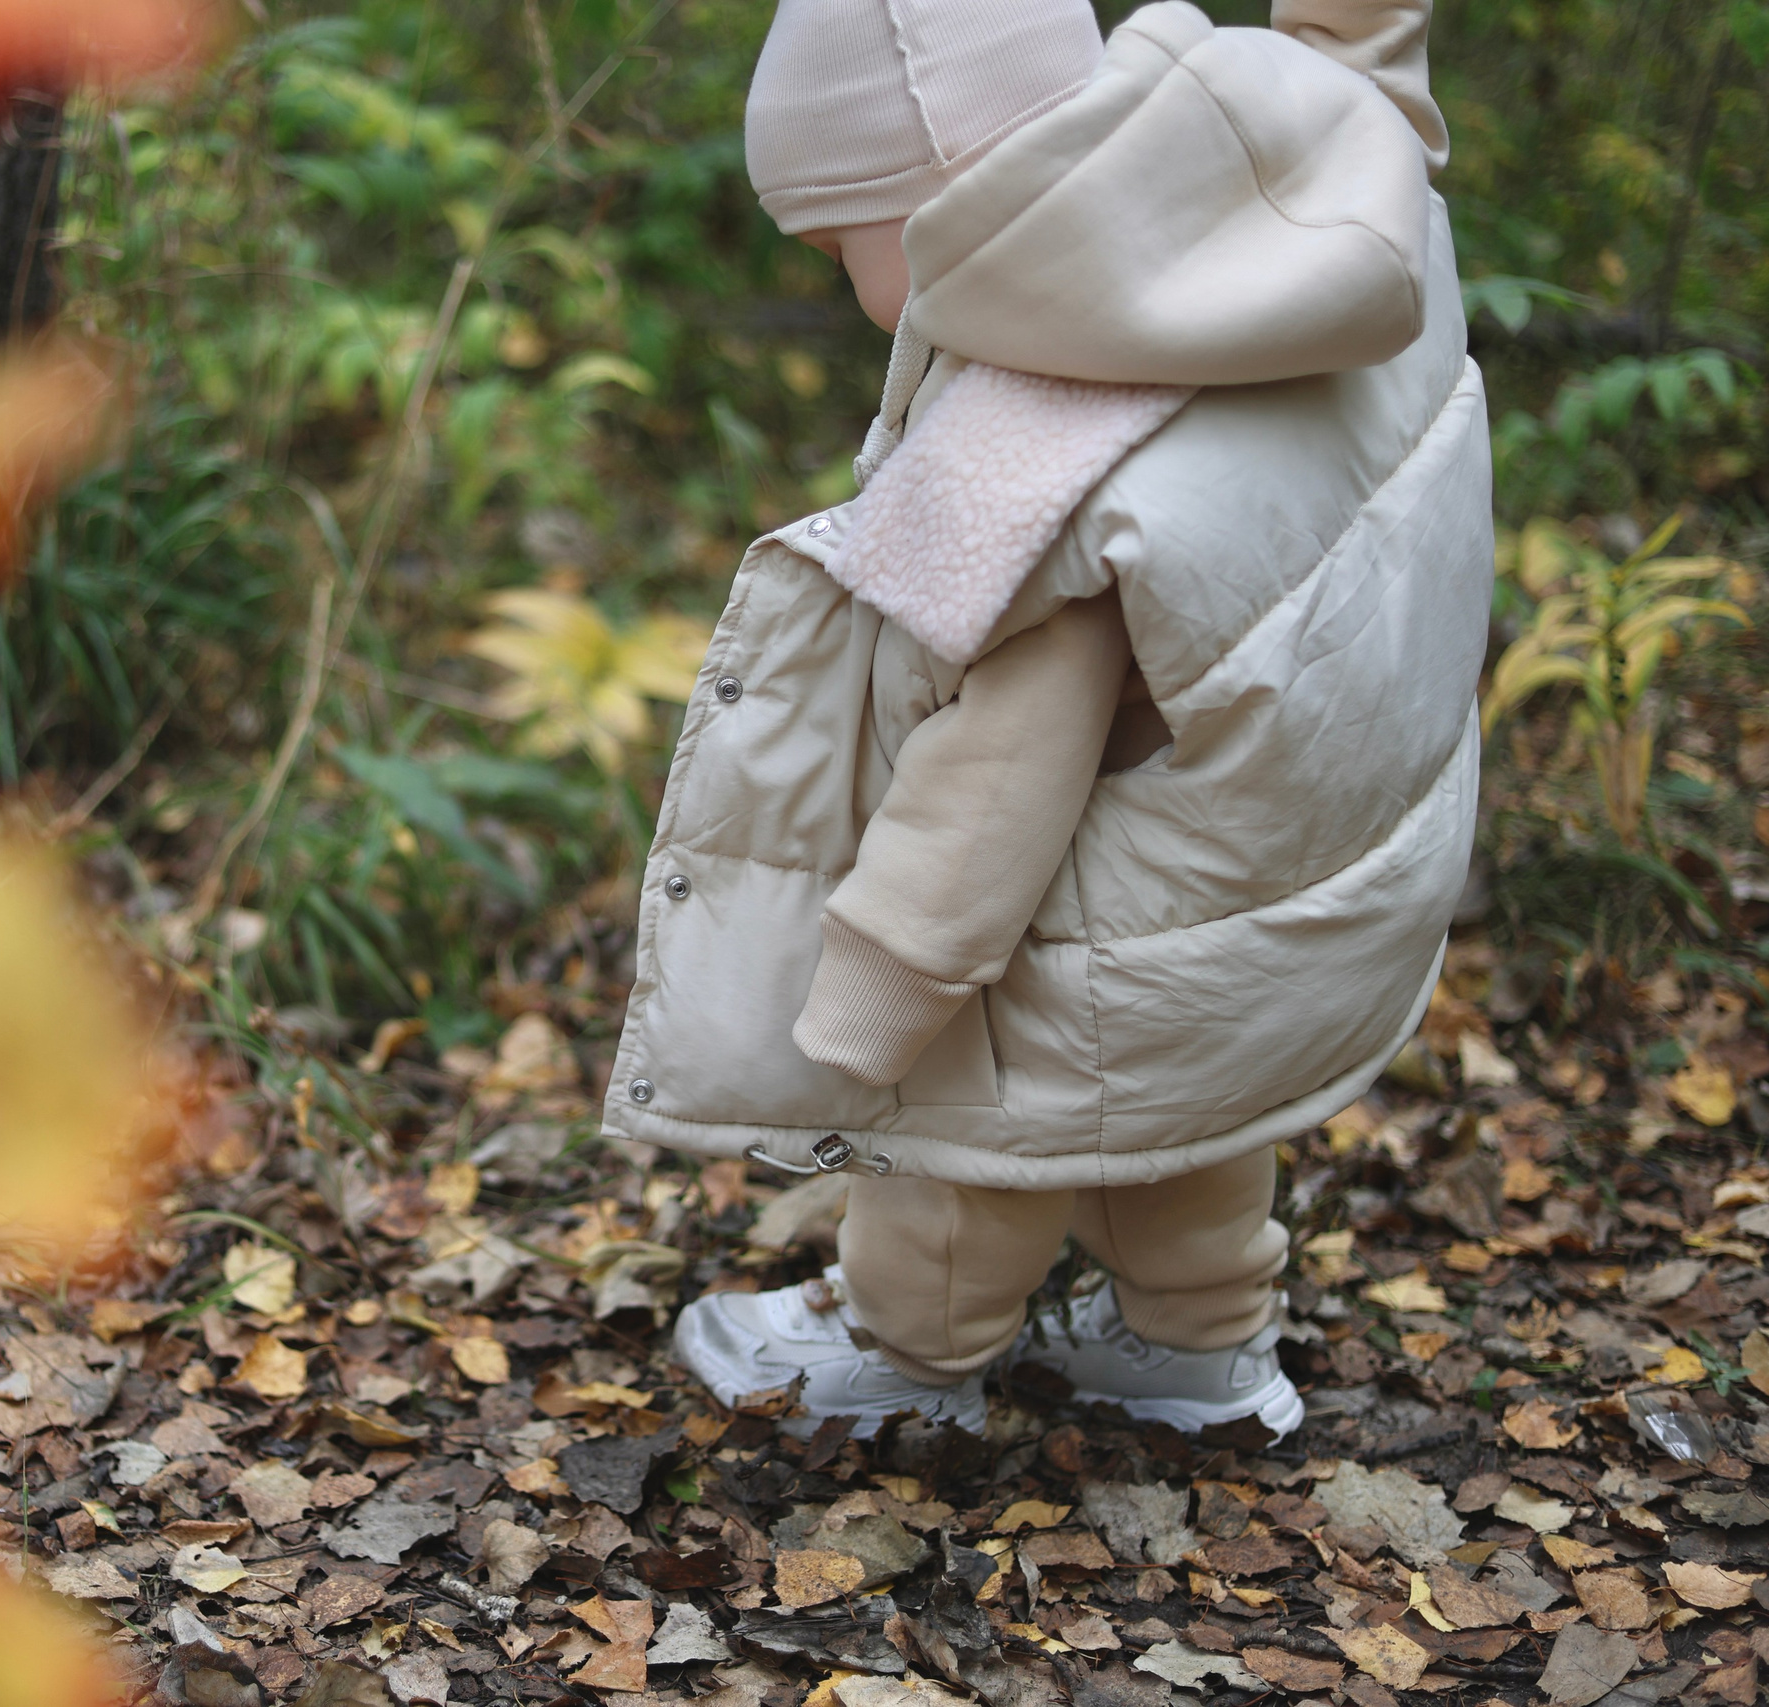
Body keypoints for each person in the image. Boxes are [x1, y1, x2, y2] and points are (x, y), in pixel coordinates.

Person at [602, 0, 1490, 1439]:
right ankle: (1204, 1349)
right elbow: (1368, 71)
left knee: (971, 1136)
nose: (842, 280)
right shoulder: (1329, 201)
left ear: (946, 194)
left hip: (1091, 898)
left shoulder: (1044, 434)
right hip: (1282, 864)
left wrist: (883, 986)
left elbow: (996, 778)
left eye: (839, 240)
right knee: (1182, 1099)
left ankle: (904, 1353)